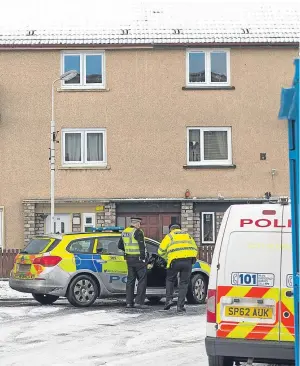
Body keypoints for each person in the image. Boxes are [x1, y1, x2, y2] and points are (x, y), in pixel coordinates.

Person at [158, 223, 198, 313]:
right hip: (187, 261)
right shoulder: (187, 236)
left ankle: (168, 300)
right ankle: (180, 306)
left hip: (174, 261)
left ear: (170, 229)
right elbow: (195, 249)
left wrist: (167, 258)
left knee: (170, 280)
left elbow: (160, 251)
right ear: (180, 228)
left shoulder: (169, 236)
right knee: (184, 283)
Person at [118, 217, 148, 309]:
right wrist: (143, 258)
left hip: (129, 259)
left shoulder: (125, 232)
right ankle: (139, 302)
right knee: (142, 280)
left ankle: (129, 302)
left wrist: (127, 251)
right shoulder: (138, 232)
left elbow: (120, 245)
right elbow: (141, 246)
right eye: (139, 223)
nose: (140, 225)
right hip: (138, 259)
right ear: (136, 223)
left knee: (130, 281)